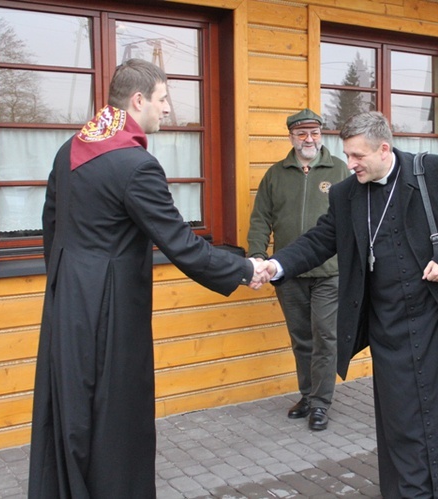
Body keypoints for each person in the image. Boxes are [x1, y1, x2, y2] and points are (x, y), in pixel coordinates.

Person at [29, 59, 266, 498]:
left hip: (66, 302)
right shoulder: (136, 165)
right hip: (112, 308)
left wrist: (69, 281)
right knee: (118, 419)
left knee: (71, 414)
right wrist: (246, 268)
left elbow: (51, 224)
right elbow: (180, 244)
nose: (169, 110)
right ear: (138, 100)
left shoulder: (70, 149)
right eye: (163, 99)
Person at [256, 111, 438, 498]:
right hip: (387, 327)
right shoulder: (347, 193)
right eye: (347, 155)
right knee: (398, 423)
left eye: (357, 156)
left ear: (384, 149)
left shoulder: (432, 171)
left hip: (434, 322)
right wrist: (276, 264)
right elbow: (319, 241)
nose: (349, 164)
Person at [247, 108, 349, 431]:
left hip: (329, 272)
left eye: (315, 133)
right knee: (301, 338)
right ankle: (307, 395)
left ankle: (321, 403)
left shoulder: (340, 171)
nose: (309, 139)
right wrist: (257, 256)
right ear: (291, 137)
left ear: (322, 135)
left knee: (325, 336)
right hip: (287, 272)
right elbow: (260, 219)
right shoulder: (276, 175)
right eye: (302, 133)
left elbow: (355, 219)